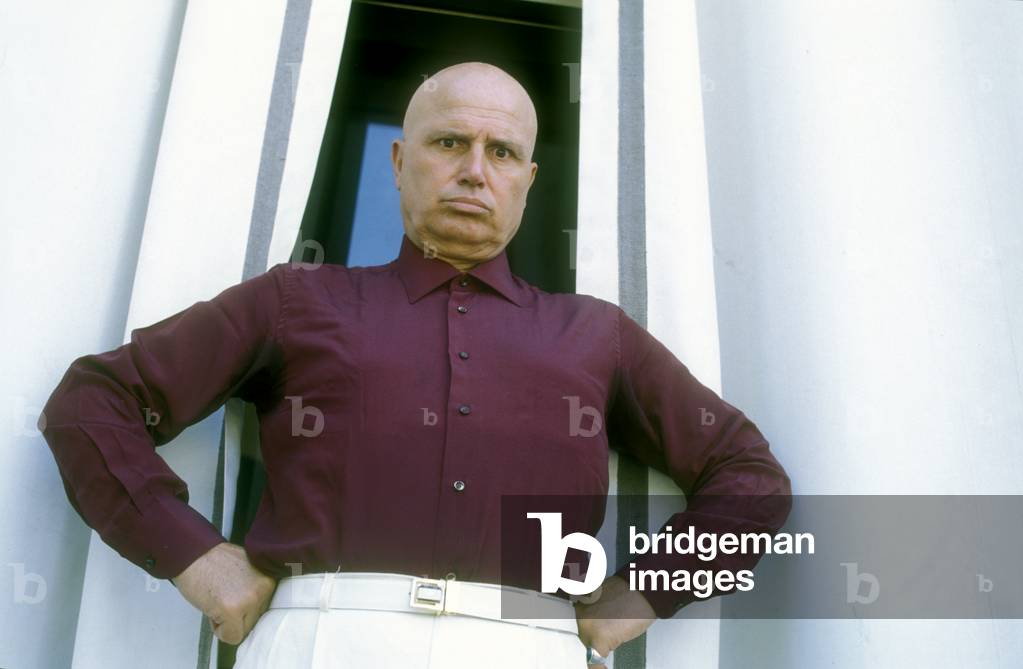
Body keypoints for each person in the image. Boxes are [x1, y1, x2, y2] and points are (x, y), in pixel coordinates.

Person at [40, 61, 791, 668]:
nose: (474, 170)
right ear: (398, 162)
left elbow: (749, 481)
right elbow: (90, 403)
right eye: (447, 143)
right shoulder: (296, 301)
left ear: (527, 181)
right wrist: (193, 556)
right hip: (321, 643)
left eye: (501, 153)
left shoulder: (596, 335)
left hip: (525, 644)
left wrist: (644, 595)